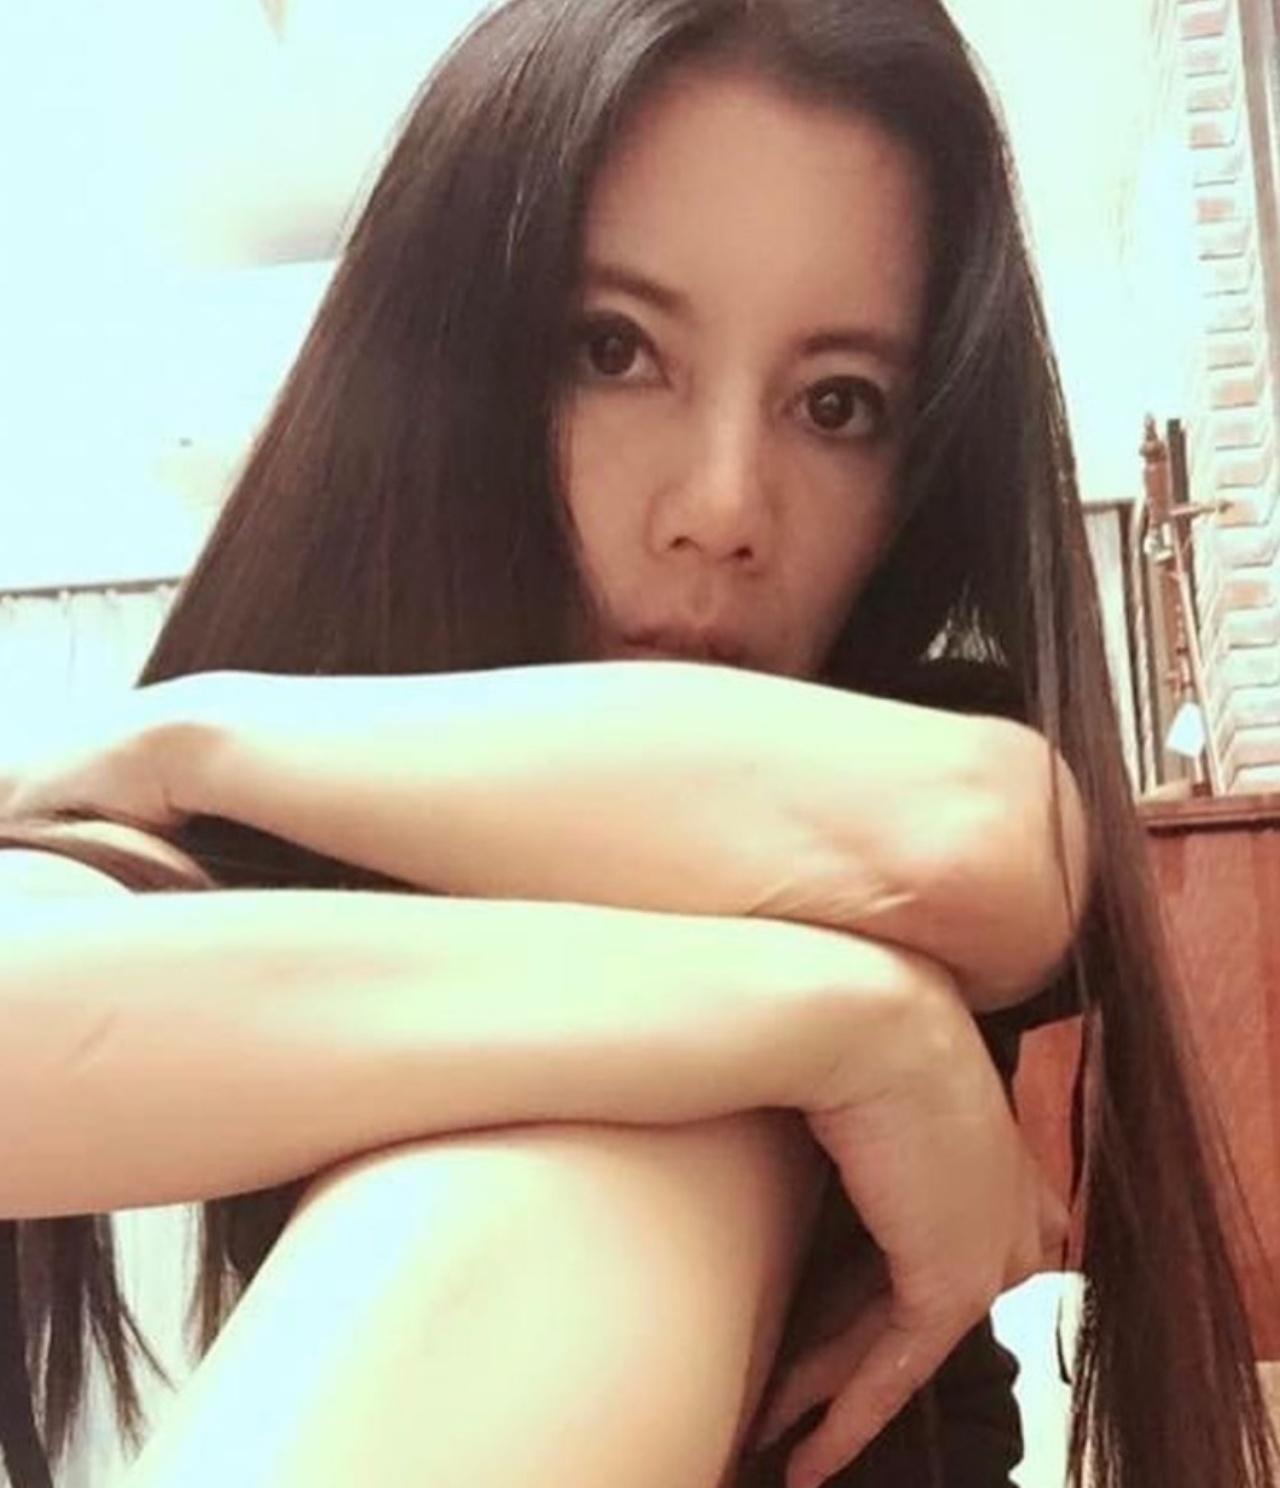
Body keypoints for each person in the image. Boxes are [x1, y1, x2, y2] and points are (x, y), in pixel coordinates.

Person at [0, 2, 1272, 1487]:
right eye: (616, 351)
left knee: (615, 1147)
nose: (723, 507)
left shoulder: (910, 747)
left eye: (838, 405)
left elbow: (981, 843)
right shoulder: (283, 834)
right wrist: (817, 1018)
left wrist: (199, 734)